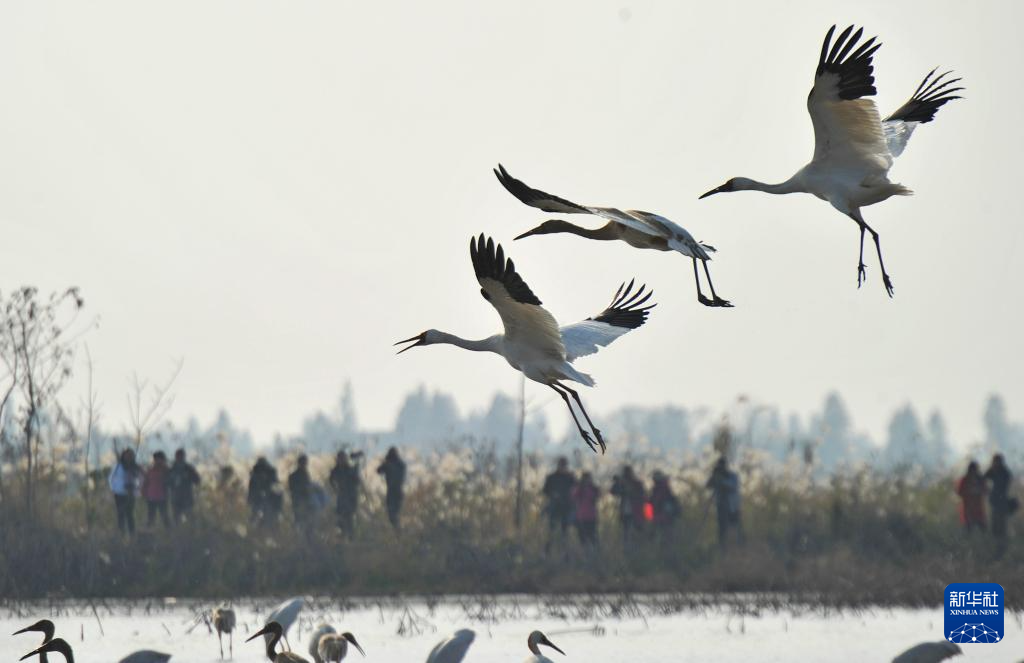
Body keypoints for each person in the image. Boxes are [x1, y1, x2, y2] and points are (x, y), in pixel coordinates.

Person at [706, 456, 743, 548]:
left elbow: (732, 486)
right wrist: (713, 477)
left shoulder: (732, 476)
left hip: (733, 506)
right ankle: (722, 547)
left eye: (722, 465)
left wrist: (721, 480)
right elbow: (708, 486)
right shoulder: (717, 475)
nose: (721, 467)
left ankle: (739, 546)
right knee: (722, 528)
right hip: (721, 507)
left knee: (735, 527)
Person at [542, 457, 576, 551]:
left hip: (566, 508)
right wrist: (553, 494)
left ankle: (565, 553)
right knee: (551, 531)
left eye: (564, 465)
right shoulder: (551, 477)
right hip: (554, 507)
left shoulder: (570, 477)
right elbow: (545, 490)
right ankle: (547, 551)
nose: (563, 467)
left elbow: (575, 491)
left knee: (564, 532)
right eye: (561, 465)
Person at [108, 447, 142, 536]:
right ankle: (121, 534)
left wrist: (137, 489)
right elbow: (111, 478)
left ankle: (132, 534)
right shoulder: (118, 466)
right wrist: (114, 489)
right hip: (119, 494)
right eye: (127, 455)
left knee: (130, 514)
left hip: (131, 494)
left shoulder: (136, 467)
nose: (128, 457)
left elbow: (141, 479)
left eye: (130, 455)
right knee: (120, 514)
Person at [984, 454, 1016, 547]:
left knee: (1001, 525)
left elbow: (1004, 485)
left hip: (1001, 502)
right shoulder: (994, 471)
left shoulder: (1004, 472)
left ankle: (1002, 545)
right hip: (995, 502)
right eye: (995, 462)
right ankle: (997, 544)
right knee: (995, 525)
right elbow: (984, 478)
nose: (995, 463)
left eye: (997, 461)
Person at [328, 451, 361, 536]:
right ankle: (343, 535)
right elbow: (331, 480)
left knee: (350, 518)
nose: (341, 460)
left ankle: (351, 536)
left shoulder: (350, 469)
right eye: (340, 458)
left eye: (343, 458)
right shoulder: (336, 470)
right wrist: (335, 489)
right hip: (341, 497)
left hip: (351, 497)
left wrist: (356, 471)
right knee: (340, 518)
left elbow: (357, 482)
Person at [611, 465, 646, 543]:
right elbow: (613, 491)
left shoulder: (636, 484)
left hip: (636, 512)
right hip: (625, 512)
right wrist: (617, 482)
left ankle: (637, 547)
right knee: (626, 533)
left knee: (636, 533)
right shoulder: (622, 484)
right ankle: (629, 549)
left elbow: (642, 496)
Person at [167, 448, 201, 524]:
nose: (179, 458)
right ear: (176, 457)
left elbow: (197, 480)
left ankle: (190, 533)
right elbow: (166, 482)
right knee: (176, 519)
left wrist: (188, 476)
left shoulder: (188, 468)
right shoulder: (172, 468)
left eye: (181, 456)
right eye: (178, 456)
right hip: (176, 498)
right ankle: (178, 534)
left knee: (190, 517)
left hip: (187, 497)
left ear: (184, 457)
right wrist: (173, 480)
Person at [377, 447, 406, 530]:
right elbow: (379, 470)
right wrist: (386, 463)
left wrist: (388, 465)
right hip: (391, 492)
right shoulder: (390, 464)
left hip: (396, 491)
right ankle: (397, 530)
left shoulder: (400, 465)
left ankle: (398, 531)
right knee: (391, 514)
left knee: (394, 514)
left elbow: (400, 476)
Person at [141, 451, 171, 528]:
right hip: (151, 497)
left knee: (164, 517)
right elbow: (145, 483)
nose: (157, 461)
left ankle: (169, 534)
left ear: (163, 459)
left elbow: (170, 483)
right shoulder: (150, 470)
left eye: (159, 459)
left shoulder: (167, 471)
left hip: (162, 497)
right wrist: (144, 493)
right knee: (151, 518)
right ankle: (149, 535)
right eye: (156, 459)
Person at [956, 461, 988, 533]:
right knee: (968, 530)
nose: (973, 472)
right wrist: (969, 492)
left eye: (975, 470)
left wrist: (979, 491)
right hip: (967, 509)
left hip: (978, 509)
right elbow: (959, 492)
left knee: (983, 529)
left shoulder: (980, 480)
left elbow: (986, 491)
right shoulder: (965, 480)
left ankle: (984, 543)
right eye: (972, 470)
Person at [247, 456, 279, 525]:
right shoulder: (256, 474)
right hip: (261, 500)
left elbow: (276, 488)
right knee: (259, 519)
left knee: (265, 519)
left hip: (266, 500)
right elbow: (251, 488)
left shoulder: (270, 473)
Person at [572, 471, 600, 547]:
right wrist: (579, 486)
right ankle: (586, 554)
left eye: (588, 478)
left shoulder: (594, 488)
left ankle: (595, 553)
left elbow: (597, 496)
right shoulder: (579, 488)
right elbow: (573, 496)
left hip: (591, 516)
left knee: (593, 537)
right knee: (582, 538)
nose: (587, 480)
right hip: (581, 517)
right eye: (585, 478)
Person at [650, 471, 681, 539]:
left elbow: (662, 502)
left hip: (665, 514)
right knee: (663, 532)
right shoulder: (658, 489)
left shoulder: (663, 489)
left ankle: (667, 545)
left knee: (667, 532)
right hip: (661, 514)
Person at [288, 454, 314, 527]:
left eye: (305, 462)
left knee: (306, 521)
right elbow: (292, 489)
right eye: (303, 462)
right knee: (299, 521)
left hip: (305, 501)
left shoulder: (306, 474)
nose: (305, 464)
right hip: (298, 501)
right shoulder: (294, 475)